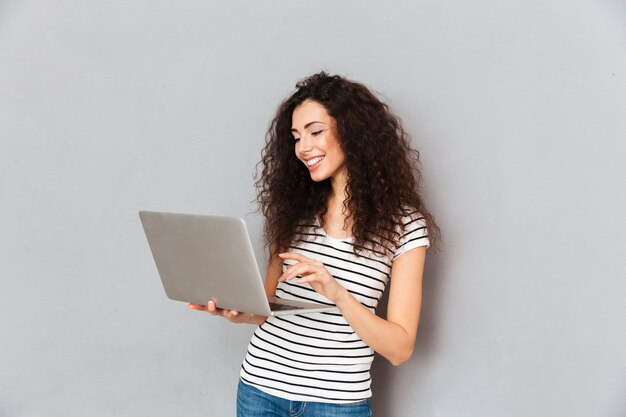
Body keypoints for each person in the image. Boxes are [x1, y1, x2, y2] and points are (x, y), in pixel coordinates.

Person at [189, 71, 439, 417]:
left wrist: (336, 291)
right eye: (296, 137)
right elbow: (266, 309)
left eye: (315, 132)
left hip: (336, 404)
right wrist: (235, 310)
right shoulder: (293, 211)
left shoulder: (404, 226)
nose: (303, 147)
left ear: (353, 133)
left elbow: (399, 348)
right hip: (260, 389)